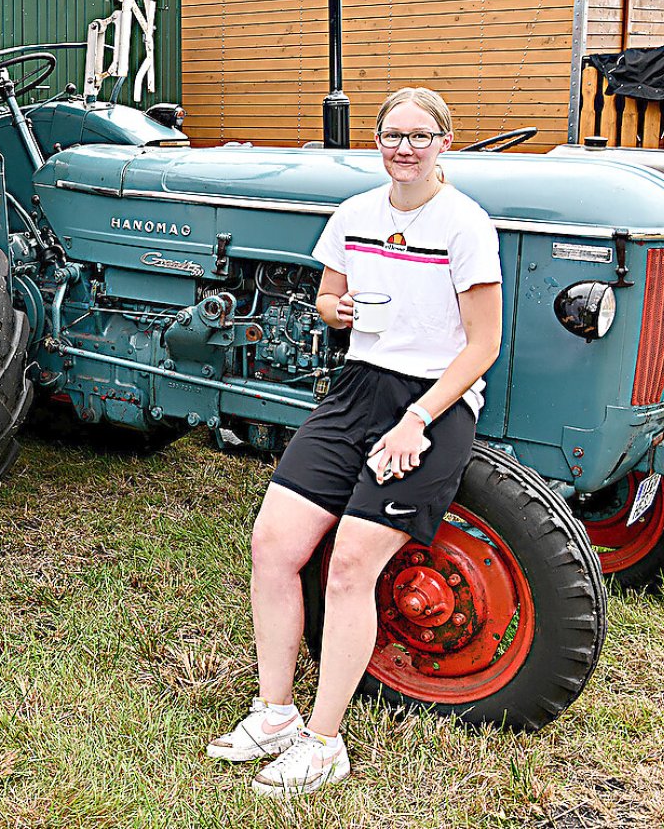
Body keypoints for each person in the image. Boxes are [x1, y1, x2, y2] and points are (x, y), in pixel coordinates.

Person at [208, 87, 503, 797]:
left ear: (444, 143)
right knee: (273, 546)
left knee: (348, 568)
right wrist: (333, 309)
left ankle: (324, 740)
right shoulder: (354, 215)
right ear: (378, 141)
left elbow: (485, 343)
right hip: (358, 388)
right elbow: (328, 301)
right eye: (392, 134)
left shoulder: (465, 225)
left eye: (420, 135)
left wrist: (418, 420)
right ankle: (275, 712)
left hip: (433, 400)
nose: (404, 147)